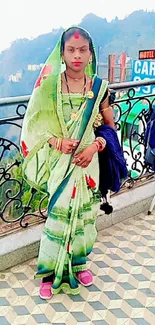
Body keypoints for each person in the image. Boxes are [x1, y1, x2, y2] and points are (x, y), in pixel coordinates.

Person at [20, 26, 115, 300]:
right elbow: (34, 124)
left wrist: (96, 147)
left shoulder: (100, 88)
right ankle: (49, 274)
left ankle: (80, 264)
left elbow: (110, 128)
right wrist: (56, 142)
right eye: (71, 50)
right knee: (57, 220)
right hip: (61, 165)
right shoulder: (49, 87)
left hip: (88, 164)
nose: (77, 55)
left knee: (85, 217)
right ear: (62, 54)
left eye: (82, 50)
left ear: (90, 54)